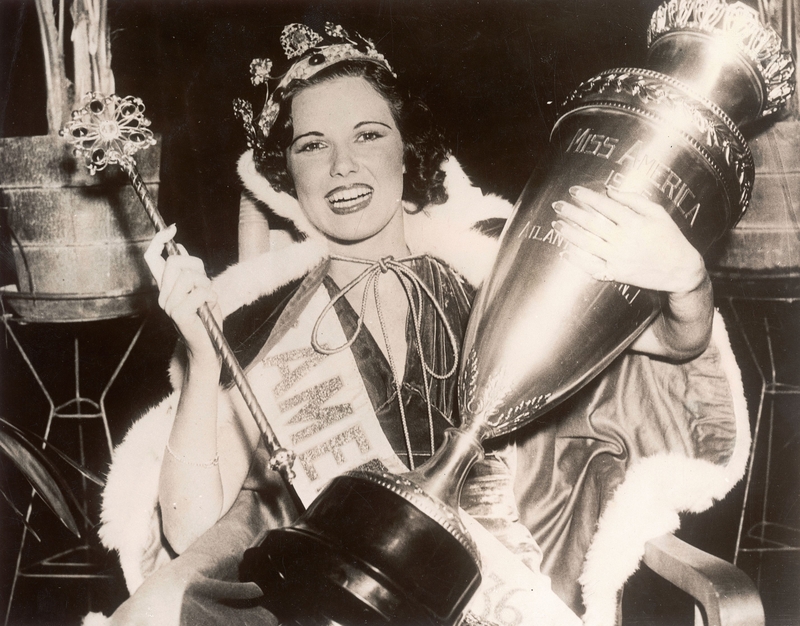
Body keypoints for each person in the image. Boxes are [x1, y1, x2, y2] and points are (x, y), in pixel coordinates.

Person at [92, 22, 748, 626]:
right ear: (285, 173)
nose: (342, 166)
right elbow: (193, 530)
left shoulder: (494, 271)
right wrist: (204, 362)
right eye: (312, 145)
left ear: (408, 150)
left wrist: (685, 279)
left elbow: (666, 349)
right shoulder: (261, 321)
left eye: (368, 134)